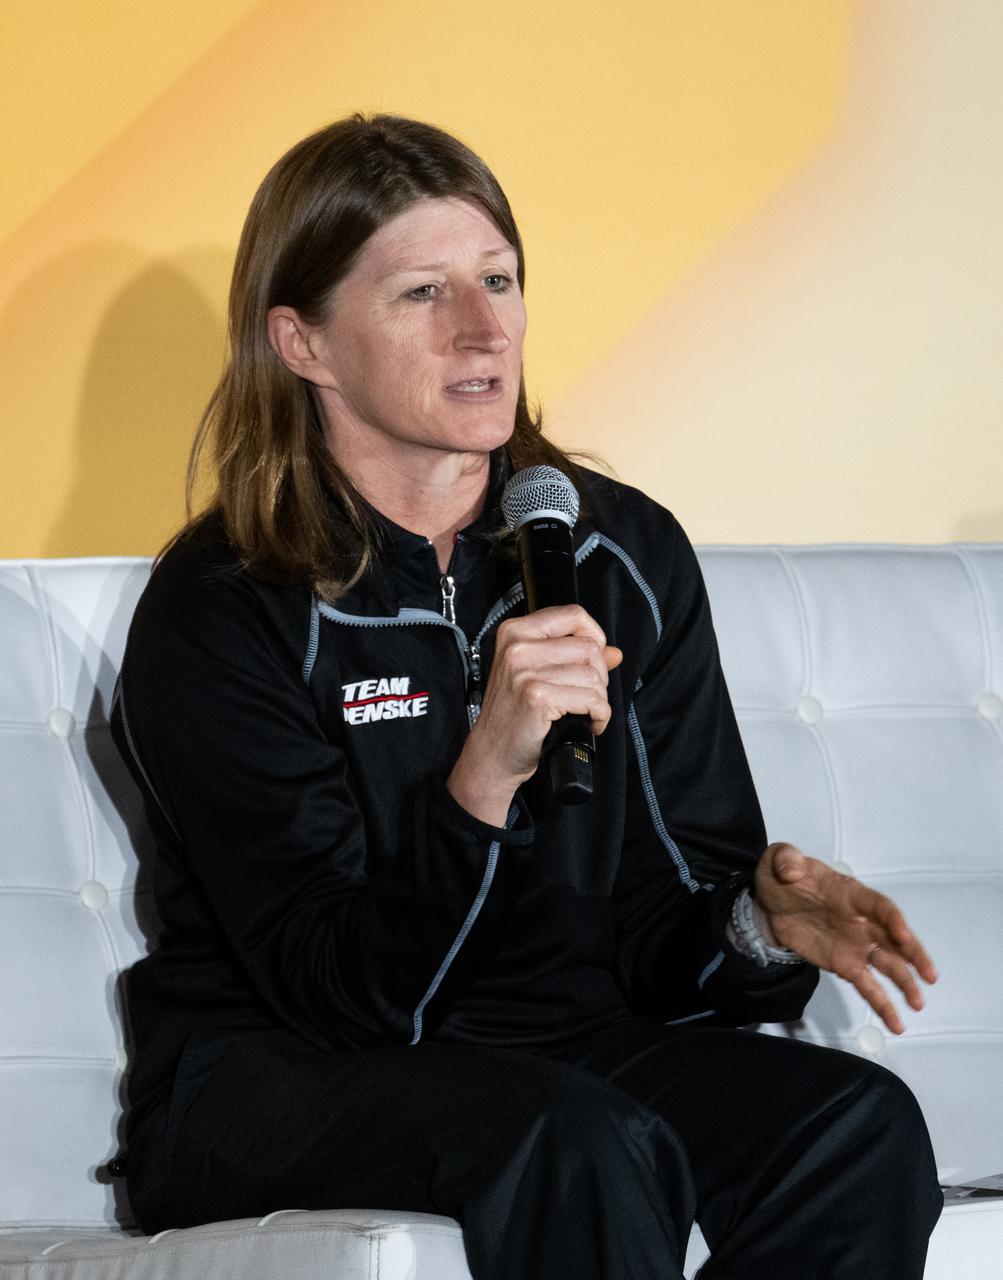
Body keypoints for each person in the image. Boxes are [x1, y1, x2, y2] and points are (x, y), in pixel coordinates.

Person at [111, 114, 943, 1279]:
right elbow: (338, 992)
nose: (483, 327)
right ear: (302, 342)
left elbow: (667, 930)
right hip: (273, 1070)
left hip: (561, 1047)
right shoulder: (226, 603)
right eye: (421, 293)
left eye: (498, 280)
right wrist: (481, 776)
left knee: (853, 1125)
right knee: (569, 1136)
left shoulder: (621, 554)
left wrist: (755, 923)